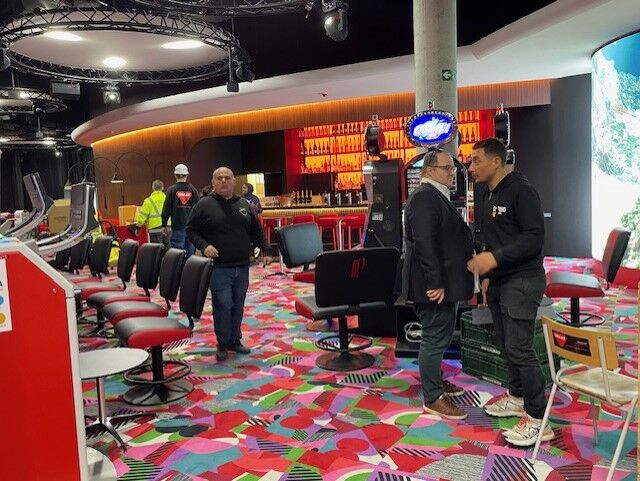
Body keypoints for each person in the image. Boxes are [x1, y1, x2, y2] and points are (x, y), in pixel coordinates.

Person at [467, 138, 551, 446]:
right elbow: (492, 238)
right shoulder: (488, 193)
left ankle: (539, 419)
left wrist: (494, 259)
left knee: (520, 349)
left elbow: (534, 238)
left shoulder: (521, 191)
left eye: (476, 160)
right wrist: (488, 275)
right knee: (506, 344)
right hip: (500, 280)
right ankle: (517, 397)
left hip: (524, 279)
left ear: (496, 161)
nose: (471, 167)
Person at [401, 148, 474, 420]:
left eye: (452, 168)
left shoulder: (434, 195)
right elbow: (425, 244)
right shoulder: (424, 197)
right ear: (430, 170)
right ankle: (432, 397)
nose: (452, 172)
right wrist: (436, 282)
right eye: (447, 168)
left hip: (443, 280)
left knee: (440, 336)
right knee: (434, 338)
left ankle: (435, 382)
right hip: (432, 284)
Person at [187, 167, 272, 361]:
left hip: (242, 266)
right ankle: (223, 343)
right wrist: (205, 246)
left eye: (227, 177)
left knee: (238, 305)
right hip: (218, 268)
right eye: (219, 178)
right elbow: (190, 231)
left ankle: (235, 340)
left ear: (234, 181)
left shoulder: (244, 205)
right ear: (213, 182)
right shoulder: (203, 205)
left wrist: (266, 250)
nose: (224, 181)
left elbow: (256, 231)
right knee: (223, 304)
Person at [162, 164, 199, 258]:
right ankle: (189, 268)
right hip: (192, 227)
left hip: (177, 226)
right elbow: (199, 209)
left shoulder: (171, 190)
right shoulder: (193, 190)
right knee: (190, 254)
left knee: (178, 255)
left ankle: (180, 268)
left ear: (175, 175)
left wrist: (164, 225)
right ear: (187, 175)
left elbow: (166, 209)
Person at [137, 179, 169, 247]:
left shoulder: (148, 201)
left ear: (153, 188)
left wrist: (138, 227)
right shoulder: (168, 199)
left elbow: (142, 216)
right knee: (169, 251)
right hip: (168, 229)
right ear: (162, 188)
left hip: (155, 230)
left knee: (157, 251)